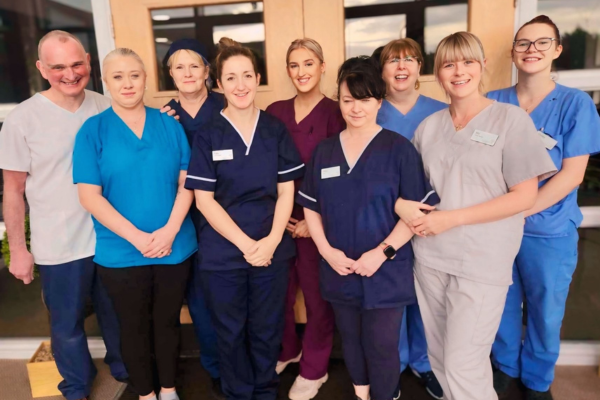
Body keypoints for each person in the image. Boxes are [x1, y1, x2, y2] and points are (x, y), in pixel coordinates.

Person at [397, 31, 557, 400]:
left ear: (482, 66)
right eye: (449, 63)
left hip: (482, 260)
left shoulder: (510, 120)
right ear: (437, 73)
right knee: (439, 358)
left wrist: (451, 219)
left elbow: (523, 197)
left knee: (463, 364)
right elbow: (412, 189)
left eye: (468, 61)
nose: (459, 71)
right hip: (431, 258)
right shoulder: (428, 128)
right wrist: (401, 205)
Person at [297, 56, 439, 400]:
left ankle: (386, 395)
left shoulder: (399, 149)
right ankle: (362, 395)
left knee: (381, 346)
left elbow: (416, 213)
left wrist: (382, 253)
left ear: (378, 100)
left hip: (385, 272)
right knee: (352, 342)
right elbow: (310, 207)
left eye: (364, 100)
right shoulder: (325, 152)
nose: (356, 108)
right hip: (339, 268)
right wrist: (327, 252)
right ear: (339, 101)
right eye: (348, 100)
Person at [0, 30, 126, 400]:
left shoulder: (107, 106)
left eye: (76, 64)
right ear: (41, 68)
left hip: (110, 236)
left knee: (116, 314)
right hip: (59, 242)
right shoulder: (22, 119)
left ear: (88, 61)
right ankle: (76, 386)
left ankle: (124, 369)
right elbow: (13, 191)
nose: (69, 74)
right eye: (58, 67)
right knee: (67, 324)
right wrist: (19, 250)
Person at [184, 37, 304, 400]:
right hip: (224, 253)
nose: (240, 85)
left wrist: (268, 242)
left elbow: (287, 191)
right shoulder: (208, 135)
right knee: (230, 330)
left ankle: (265, 391)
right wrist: (246, 244)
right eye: (231, 78)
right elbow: (203, 200)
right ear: (218, 84)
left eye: (247, 76)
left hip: (271, 250)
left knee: (267, 328)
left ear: (257, 78)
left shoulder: (274, 129)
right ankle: (238, 393)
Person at [73, 48, 197, 400]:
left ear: (146, 79)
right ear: (105, 82)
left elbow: (187, 182)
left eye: (134, 75)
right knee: (132, 327)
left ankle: (169, 390)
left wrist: (170, 230)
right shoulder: (92, 131)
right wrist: (139, 238)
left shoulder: (170, 126)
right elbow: (90, 197)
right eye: (117, 76)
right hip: (121, 252)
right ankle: (145, 394)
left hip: (175, 246)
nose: (127, 83)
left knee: (168, 323)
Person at [488, 16, 600, 400]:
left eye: (541, 42)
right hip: (499, 229)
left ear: (557, 50)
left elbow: (571, 176)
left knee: (545, 309)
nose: (531, 49)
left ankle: (537, 380)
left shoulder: (575, 104)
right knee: (500, 302)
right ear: (513, 52)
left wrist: (517, 209)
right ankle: (505, 366)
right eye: (523, 43)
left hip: (548, 230)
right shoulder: (494, 101)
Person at [265, 38, 344, 400]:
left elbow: (342, 176)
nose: (301, 72)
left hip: (319, 224)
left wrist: (312, 225)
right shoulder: (274, 112)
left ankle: (315, 368)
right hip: (278, 222)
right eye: (294, 65)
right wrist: (281, 220)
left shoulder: (336, 112)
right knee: (277, 295)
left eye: (309, 63)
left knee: (316, 299)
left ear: (323, 66)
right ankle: (287, 350)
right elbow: (263, 169)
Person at [375, 38, 446, 400]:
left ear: (420, 67)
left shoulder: (442, 111)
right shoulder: (370, 110)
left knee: (427, 297)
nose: (401, 67)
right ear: (382, 69)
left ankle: (423, 361)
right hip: (384, 222)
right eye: (392, 61)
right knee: (393, 297)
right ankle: (395, 362)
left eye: (409, 60)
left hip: (433, 221)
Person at [163, 38, 225, 400]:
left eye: (194, 66)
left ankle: (244, 363)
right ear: (170, 74)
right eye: (178, 66)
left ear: (207, 71)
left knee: (234, 297)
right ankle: (216, 369)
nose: (187, 73)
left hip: (229, 215)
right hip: (187, 220)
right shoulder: (162, 118)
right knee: (201, 302)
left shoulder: (229, 104)